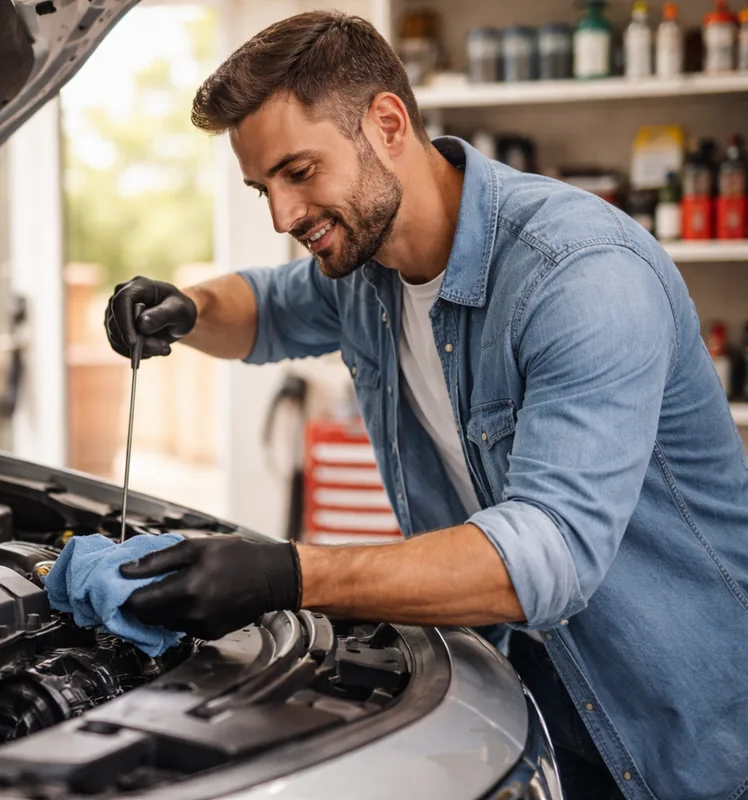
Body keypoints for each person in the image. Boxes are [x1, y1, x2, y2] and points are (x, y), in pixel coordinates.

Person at [102, 11, 748, 800]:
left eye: (299, 172)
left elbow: (549, 553)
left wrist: (287, 574)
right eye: (262, 186)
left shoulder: (578, 274)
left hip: (682, 724)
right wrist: (183, 307)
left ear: (387, 122)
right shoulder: (367, 268)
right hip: (521, 685)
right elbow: (268, 311)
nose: (283, 215)